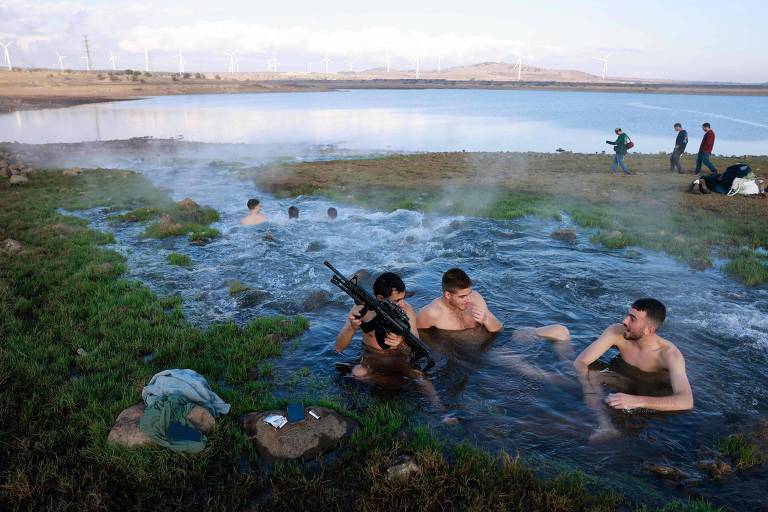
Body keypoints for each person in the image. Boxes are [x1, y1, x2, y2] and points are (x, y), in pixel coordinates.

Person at [573, 298, 694, 439]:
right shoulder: (617, 332)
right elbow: (580, 362)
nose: (624, 321)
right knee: (592, 374)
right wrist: (588, 391)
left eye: (632, 319)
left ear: (649, 330)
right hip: (623, 380)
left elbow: (686, 401)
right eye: (627, 315)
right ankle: (605, 425)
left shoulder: (669, 355)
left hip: (652, 392)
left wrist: (636, 401)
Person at [335, 271, 444, 409]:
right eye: (397, 300)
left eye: (403, 298)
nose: (402, 304)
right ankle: (394, 384)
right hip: (373, 358)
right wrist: (351, 327)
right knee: (358, 372)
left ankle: (442, 411)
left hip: (399, 358)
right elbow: (339, 348)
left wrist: (402, 343)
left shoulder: (407, 310)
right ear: (380, 298)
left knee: (420, 377)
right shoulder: (361, 310)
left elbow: (416, 344)